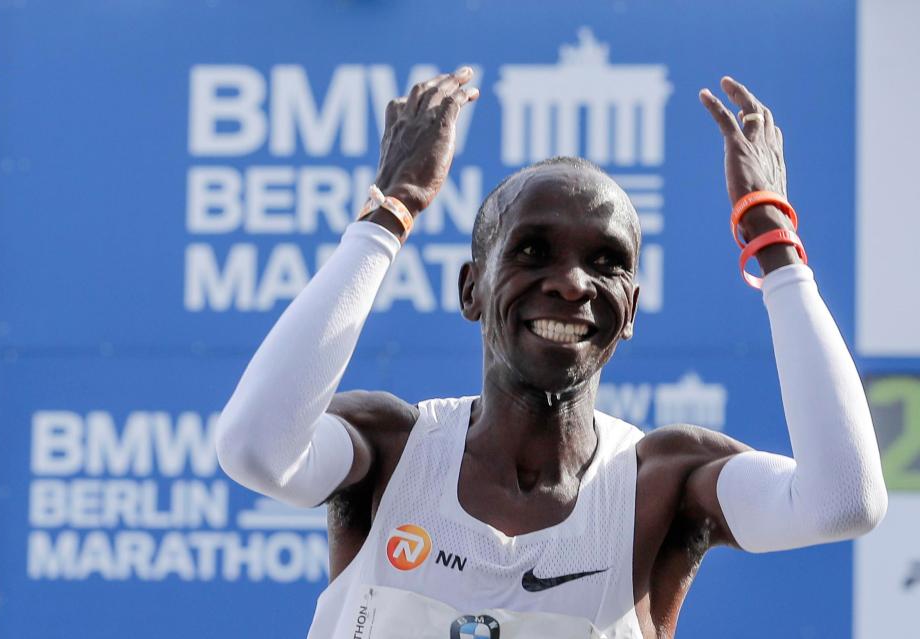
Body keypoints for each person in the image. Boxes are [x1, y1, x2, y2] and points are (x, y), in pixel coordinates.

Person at [215, 67, 887, 638]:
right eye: (533, 250)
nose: (571, 282)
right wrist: (391, 212)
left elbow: (842, 500)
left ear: (630, 312)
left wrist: (771, 238)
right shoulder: (390, 451)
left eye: (606, 262)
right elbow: (254, 449)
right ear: (472, 288)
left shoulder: (663, 483)